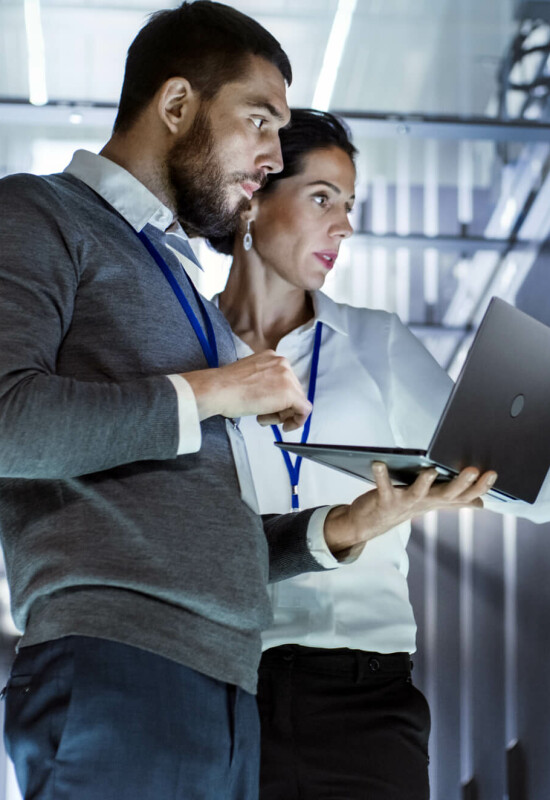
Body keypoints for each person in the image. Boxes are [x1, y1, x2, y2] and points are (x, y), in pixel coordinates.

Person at [0, 5, 496, 798]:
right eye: (259, 120)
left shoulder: (178, 293)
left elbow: (205, 536)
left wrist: (344, 529)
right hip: (120, 667)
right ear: (175, 106)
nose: (269, 156)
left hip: (223, 688)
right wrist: (224, 387)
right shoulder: (37, 214)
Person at [212, 108, 550, 799]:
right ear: (254, 195)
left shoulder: (378, 344)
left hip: (364, 697)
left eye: (350, 206)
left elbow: (532, 491)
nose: (345, 225)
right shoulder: (185, 351)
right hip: (223, 688)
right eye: (322, 198)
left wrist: (482, 482)